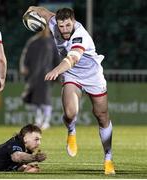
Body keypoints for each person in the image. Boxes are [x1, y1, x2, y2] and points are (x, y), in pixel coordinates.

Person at [24, 6, 115, 175]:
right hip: (73, 76)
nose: (64, 30)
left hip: (93, 76)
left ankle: (108, 158)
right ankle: (71, 131)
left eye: (67, 25)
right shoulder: (54, 23)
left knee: (102, 116)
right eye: (61, 26)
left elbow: (72, 58)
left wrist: (56, 70)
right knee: (70, 113)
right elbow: (43, 12)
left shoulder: (80, 36)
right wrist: (30, 11)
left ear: (73, 22)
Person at [20, 27, 60, 129]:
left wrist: (58, 72)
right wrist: (24, 66)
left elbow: (56, 58)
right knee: (35, 100)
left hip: (47, 75)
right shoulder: (33, 42)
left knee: (46, 99)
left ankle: (46, 121)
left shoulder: (52, 42)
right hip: (34, 75)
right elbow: (26, 56)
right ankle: (38, 120)